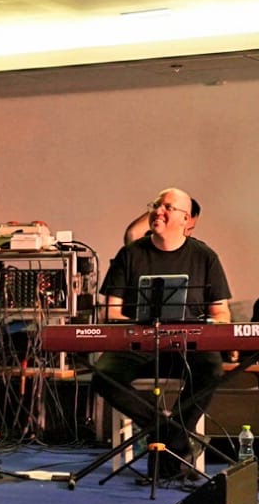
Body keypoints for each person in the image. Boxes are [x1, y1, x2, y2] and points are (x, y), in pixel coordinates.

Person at [94, 187, 231, 478]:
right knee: (103, 375)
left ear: (186, 219)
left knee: (211, 369)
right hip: (139, 344)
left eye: (168, 207)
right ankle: (169, 434)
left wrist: (209, 326)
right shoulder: (130, 254)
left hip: (187, 346)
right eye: (156, 205)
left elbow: (222, 313)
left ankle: (168, 440)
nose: (158, 211)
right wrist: (140, 325)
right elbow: (110, 313)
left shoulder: (205, 256)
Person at [123, 193, 199, 246]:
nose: (186, 234)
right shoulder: (145, 247)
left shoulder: (196, 251)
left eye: (190, 229)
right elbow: (133, 233)